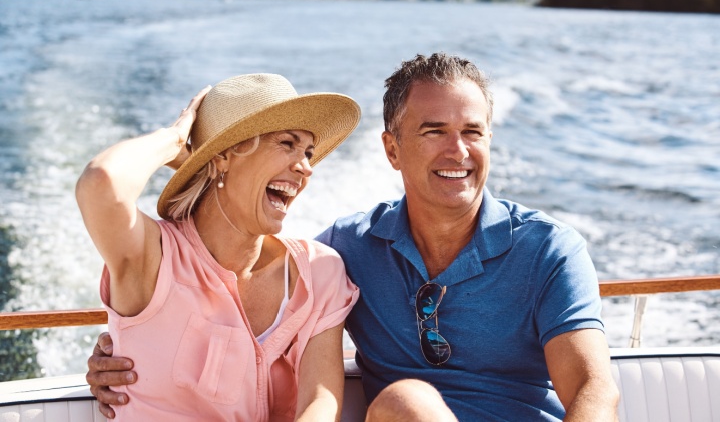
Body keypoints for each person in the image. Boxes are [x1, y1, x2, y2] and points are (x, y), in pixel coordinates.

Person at [86, 54, 620, 421]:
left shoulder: (549, 248)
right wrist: (131, 342)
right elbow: (117, 201)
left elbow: (595, 389)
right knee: (406, 404)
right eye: (435, 131)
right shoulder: (345, 252)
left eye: (473, 132)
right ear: (391, 151)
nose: (458, 151)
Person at [76, 73, 361, 421]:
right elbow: (101, 182)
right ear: (224, 156)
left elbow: (320, 405)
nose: (306, 168)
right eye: (287, 144)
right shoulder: (153, 258)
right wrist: (174, 139)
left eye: (309, 152)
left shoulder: (319, 271)